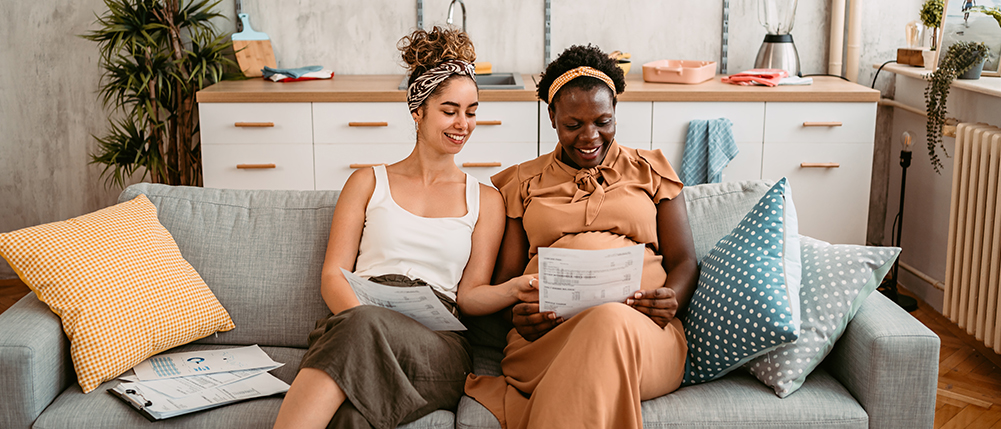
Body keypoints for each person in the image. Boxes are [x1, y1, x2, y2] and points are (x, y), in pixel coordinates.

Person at [273, 26, 507, 429]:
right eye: (449, 111)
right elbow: (333, 277)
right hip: (358, 319)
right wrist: (373, 323)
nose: (463, 124)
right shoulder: (367, 182)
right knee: (348, 415)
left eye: (471, 112)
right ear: (417, 112)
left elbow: (469, 297)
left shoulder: (486, 199)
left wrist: (517, 289)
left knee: (359, 335)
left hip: (437, 346)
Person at [460, 45, 700, 429]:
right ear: (552, 117)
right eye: (574, 125)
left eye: (603, 121)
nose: (590, 137)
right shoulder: (522, 182)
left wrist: (671, 299)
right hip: (548, 341)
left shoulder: (651, 170)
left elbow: (685, 260)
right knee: (603, 327)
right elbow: (506, 279)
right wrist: (516, 314)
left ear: (615, 114)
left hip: (643, 338)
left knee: (609, 321)